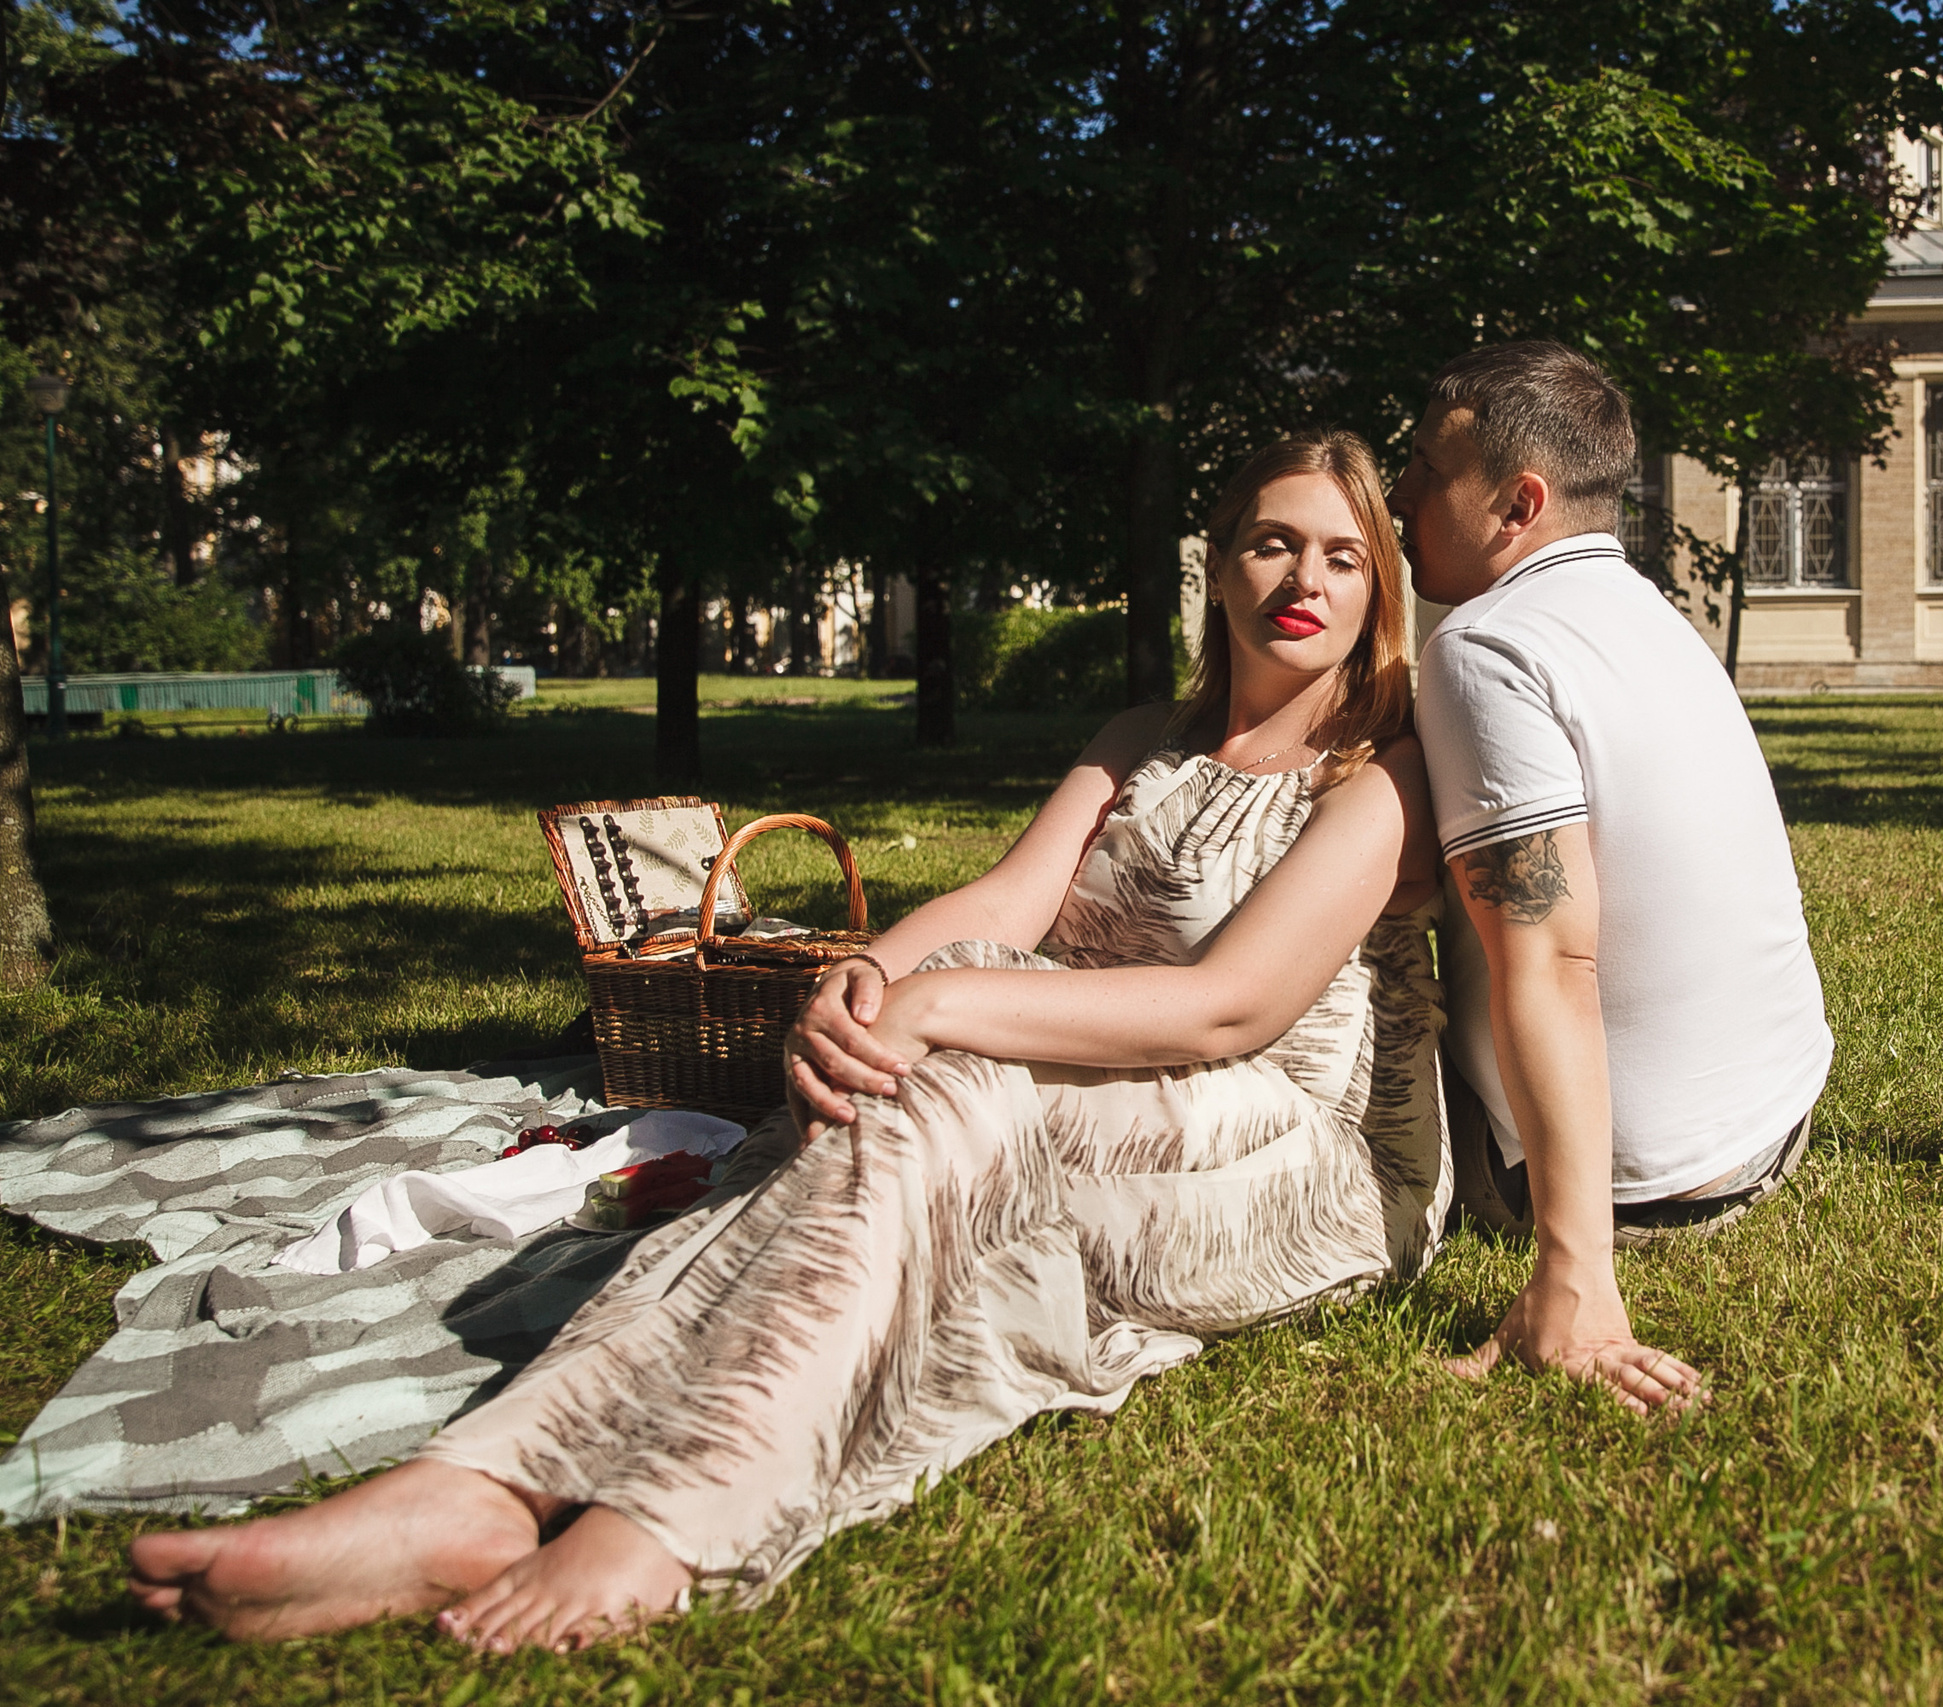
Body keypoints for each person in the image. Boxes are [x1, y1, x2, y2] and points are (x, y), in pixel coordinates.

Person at [128, 432, 1449, 1650]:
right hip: (1089, 1067)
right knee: (882, 1094)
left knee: (944, 1064)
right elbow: (1005, 903)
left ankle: (680, 1506)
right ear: (1219, 563)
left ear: (1378, 587)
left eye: (1344, 557)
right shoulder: (1141, 737)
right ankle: (481, 1484)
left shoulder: (1380, 768)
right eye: (1274, 542)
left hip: (1291, 1139)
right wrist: (869, 978)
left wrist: (938, 1004)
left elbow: (1230, 1005)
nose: (1305, 580)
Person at [1387, 341, 1833, 1416]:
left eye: (1427, 470)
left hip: (1649, 1185)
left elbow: (1550, 957)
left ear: (1517, 504)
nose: (1397, 494)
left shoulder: (1486, 647)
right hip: (1772, 1121)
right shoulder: (1651, 620)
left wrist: (1574, 1276)